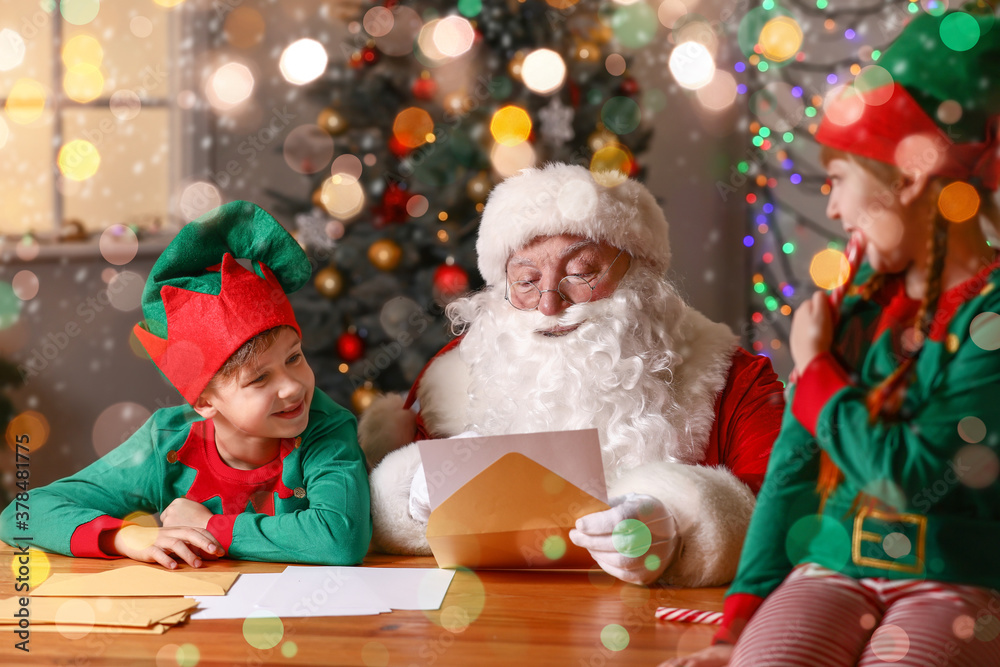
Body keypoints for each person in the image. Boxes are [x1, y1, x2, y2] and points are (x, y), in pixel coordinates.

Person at [666, 11, 1000, 667]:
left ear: (907, 180)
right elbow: (792, 469)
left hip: (957, 577)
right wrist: (735, 629)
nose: (837, 210)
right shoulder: (858, 308)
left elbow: (909, 477)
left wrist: (816, 367)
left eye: (840, 181)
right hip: (831, 567)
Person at [361, 162, 786, 587]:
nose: (549, 305)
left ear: (640, 273)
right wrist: (415, 496)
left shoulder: (732, 378)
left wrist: (682, 529)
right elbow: (380, 514)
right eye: (526, 280)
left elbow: (783, 514)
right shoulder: (451, 376)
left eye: (581, 273)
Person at [0, 201, 372, 569]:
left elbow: (340, 538)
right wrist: (127, 536)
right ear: (205, 401)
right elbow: (20, 515)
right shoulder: (166, 443)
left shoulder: (325, 427)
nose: (292, 387)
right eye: (260, 378)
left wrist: (210, 527)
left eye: (294, 358)